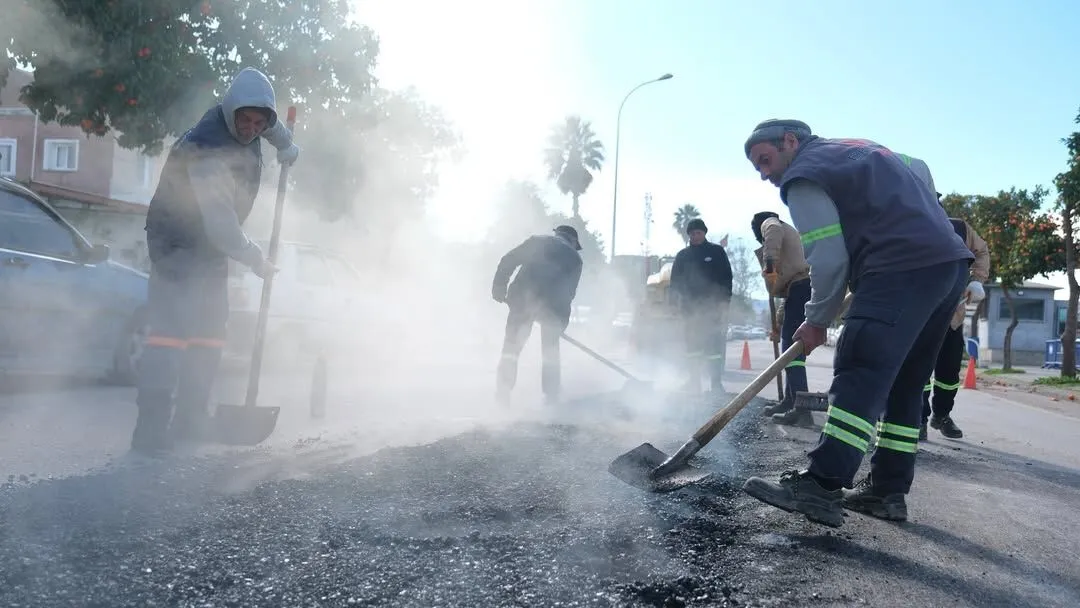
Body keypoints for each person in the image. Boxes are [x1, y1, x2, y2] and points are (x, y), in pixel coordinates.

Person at [739, 119, 973, 527]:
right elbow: (919, 168)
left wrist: (816, 320)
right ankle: (887, 491)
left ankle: (822, 485)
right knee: (905, 381)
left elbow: (828, 257)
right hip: (947, 266)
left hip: (898, 266)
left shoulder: (804, 176)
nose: (764, 173)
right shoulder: (860, 148)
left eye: (765, 159)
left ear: (790, 142)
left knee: (861, 364)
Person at [132, 67, 301, 457]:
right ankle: (150, 430)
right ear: (231, 112)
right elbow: (221, 224)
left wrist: (286, 144)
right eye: (246, 121)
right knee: (169, 336)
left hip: (207, 248)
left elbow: (271, 128)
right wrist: (256, 259)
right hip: (176, 245)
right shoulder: (207, 150)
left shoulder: (252, 123)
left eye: (259, 124)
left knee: (209, 333)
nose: (251, 130)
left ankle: (191, 419)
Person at [491, 225, 584, 405]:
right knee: (550, 352)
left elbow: (508, 260)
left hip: (521, 300)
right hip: (552, 308)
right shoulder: (575, 259)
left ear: (557, 234)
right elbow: (568, 294)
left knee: (512, 347)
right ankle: (551, 397)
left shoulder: (537, 241)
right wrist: (559, 325)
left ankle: (503, 393)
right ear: (573, 241)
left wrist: (499, 287)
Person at [921, 202, 990, 440]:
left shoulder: (960, 229)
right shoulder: (911, 226)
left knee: (949, 372)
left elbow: (981, 251)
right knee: (918, 369)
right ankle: (917, 417)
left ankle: (941, 415)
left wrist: (977, 280)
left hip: (952, 313)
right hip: (919, 314)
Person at [751, 211, 812, 425]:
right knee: (789, 347)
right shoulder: (790, 236)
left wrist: (769, 266)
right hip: (798, 289)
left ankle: (802, 410)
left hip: (801, 287)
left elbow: (772, 230)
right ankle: (790, 400)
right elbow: (788, 295)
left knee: (792, 351)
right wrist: (778, 323)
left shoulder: (771, 223)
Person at [669, 218, 733, 396]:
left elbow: (727, 278)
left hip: (713, 309)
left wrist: (724, 302)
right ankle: (693, 382)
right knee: (692, 348)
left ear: (704, 233)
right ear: (689, 235)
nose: (695, 236)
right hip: (690, 310)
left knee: (714, 349)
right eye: (692, 233)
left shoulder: (716, 252)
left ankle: (716, 384)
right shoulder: (683, 256)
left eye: (698, 233)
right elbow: (675, 283)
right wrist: (673, 304)